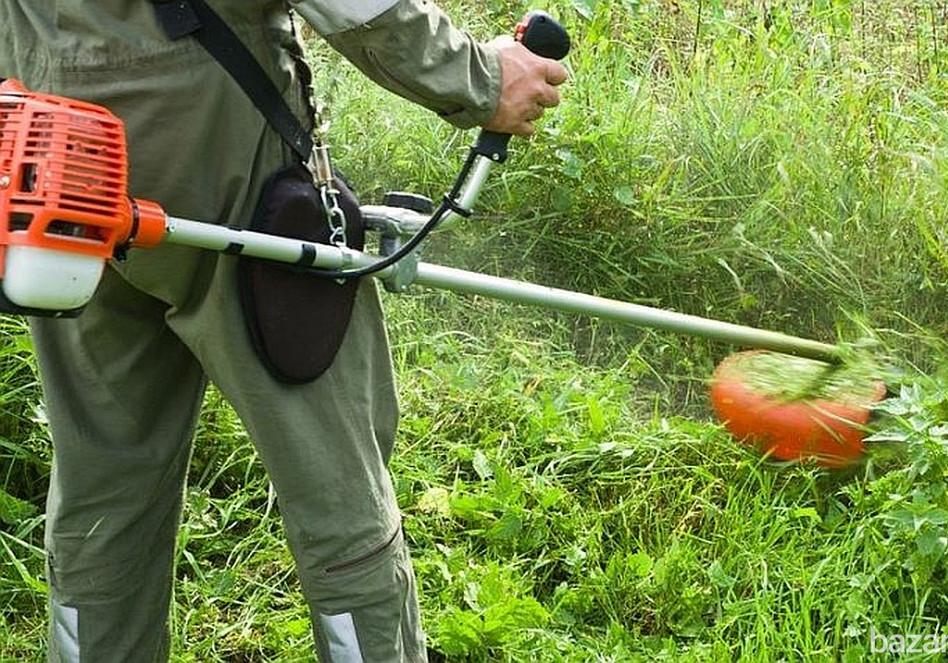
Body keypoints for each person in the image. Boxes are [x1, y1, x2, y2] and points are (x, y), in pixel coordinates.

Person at [0, 1, 567, 661]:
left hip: (52, 150)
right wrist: (482, 79)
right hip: (212, 149)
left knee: (105, 477)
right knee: (336, 480)